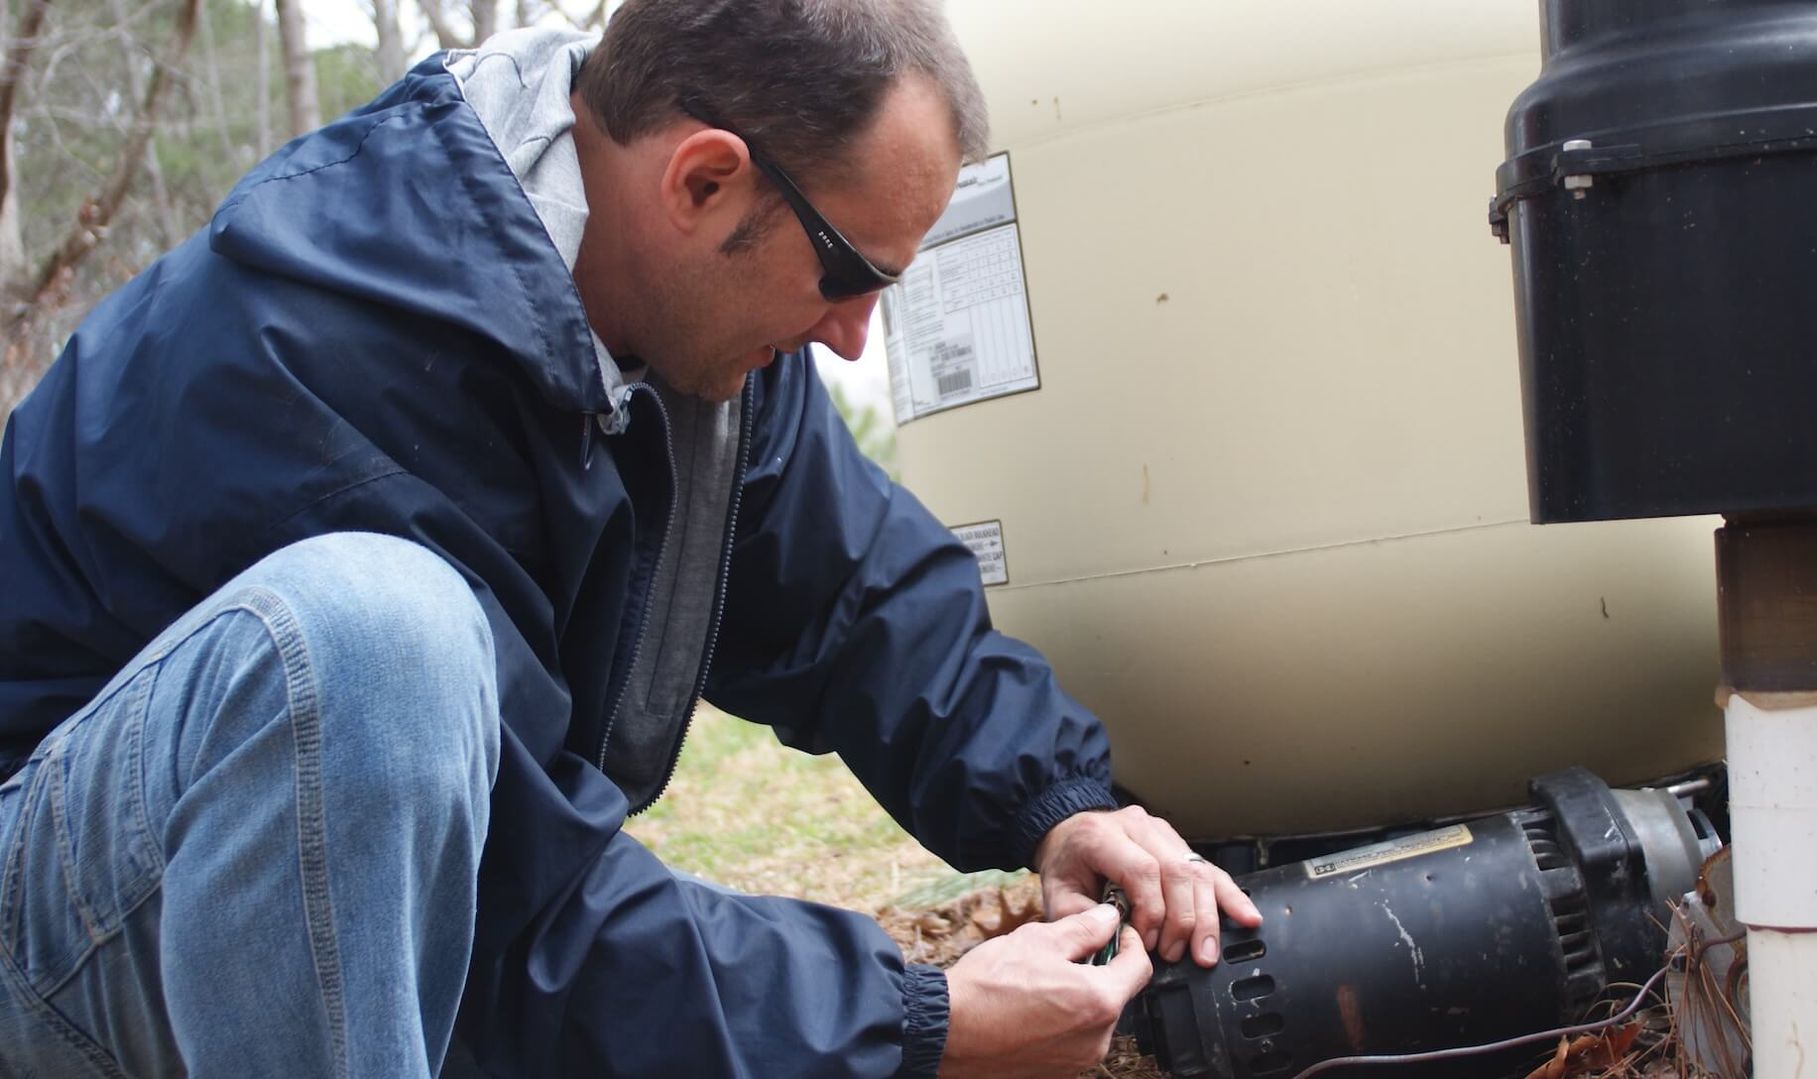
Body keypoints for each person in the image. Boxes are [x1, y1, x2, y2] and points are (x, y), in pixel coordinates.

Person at [0, 1, 1259, 1075]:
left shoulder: (694, 343)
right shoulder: (332, 337)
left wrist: (1056, 801)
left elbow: (859, 601)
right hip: (61, 943)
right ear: (704, 180)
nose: (856, 337)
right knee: (375, 640)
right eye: (848, 273)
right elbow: (516, 918)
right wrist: (915, 1019)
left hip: (326, 951)